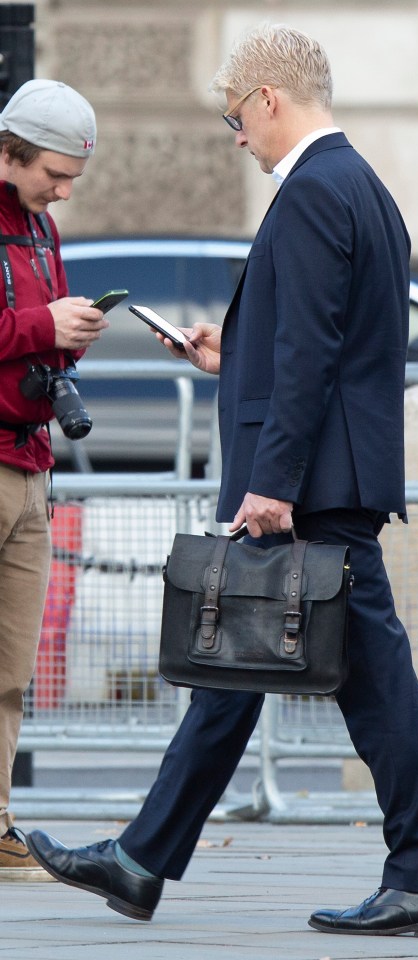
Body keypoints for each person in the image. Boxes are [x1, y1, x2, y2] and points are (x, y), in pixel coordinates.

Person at [26, 24, 418, 933]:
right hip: (332, 475)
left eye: (234, 122)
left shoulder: (313, 193)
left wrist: (274, 478)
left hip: (314, 489)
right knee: (234, 672)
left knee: (373, 685)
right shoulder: (363, 189)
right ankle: (141, 860)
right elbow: (321, 343)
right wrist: (232, 352)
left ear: (267, 101)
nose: (238, 140)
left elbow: (314, 353)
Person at [0, 79, 108, 881]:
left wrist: (72, 334)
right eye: (52, 174)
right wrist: (43, 324)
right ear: (9, 151)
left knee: (10, 670)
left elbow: (35, 337)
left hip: (31, 463)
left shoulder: (41, 229)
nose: (63, 192)